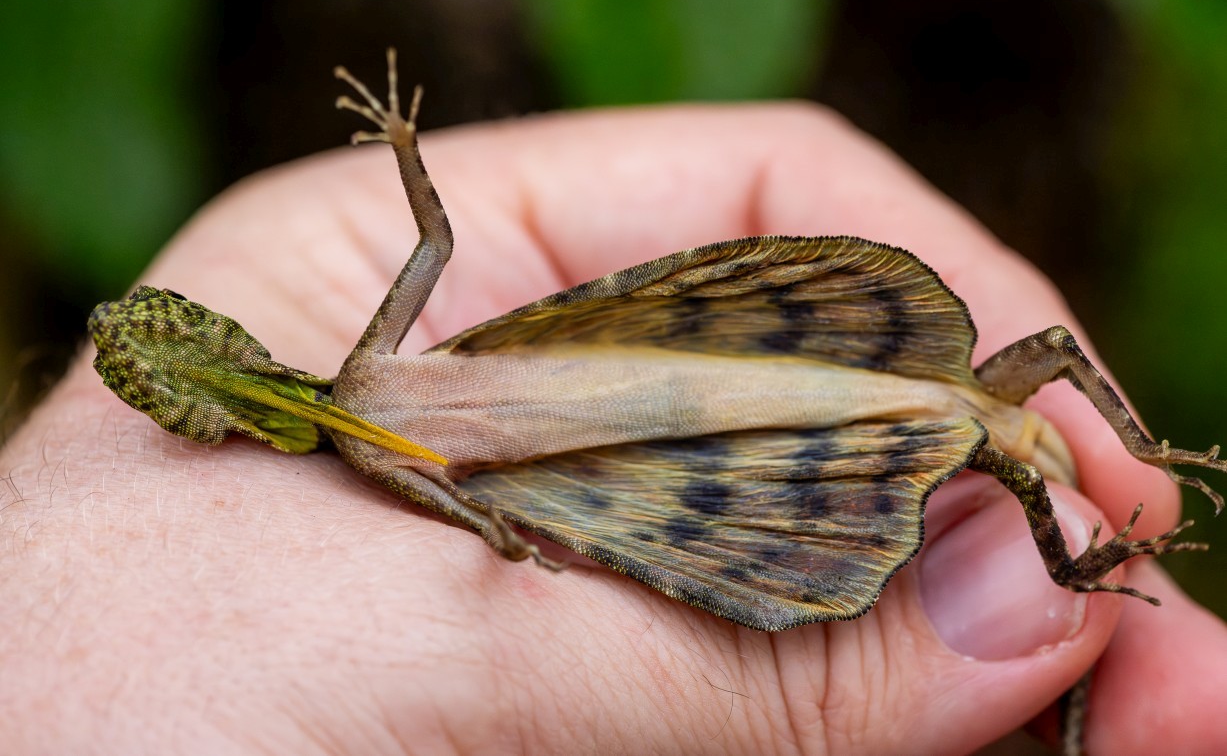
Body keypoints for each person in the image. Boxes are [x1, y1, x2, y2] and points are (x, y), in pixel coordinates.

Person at [2, 102, 1224, 754]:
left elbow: (473, 501)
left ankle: (1098, 530)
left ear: (217, 407)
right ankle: (1100, 531)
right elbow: (441, 287)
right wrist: (404, 146)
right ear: (229, 359)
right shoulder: (376, 388)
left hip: (782, 408)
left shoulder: (372, 420)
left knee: (1010, 416)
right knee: (1001, 424)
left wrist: (508, 541)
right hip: (720, 438)